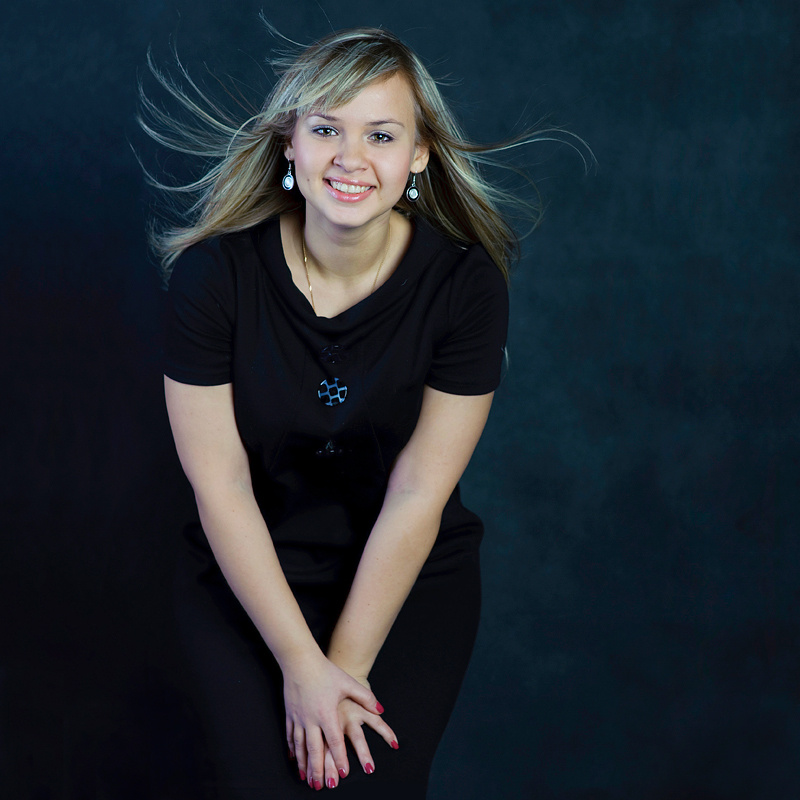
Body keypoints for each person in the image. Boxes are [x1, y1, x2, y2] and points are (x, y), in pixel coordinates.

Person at [142, 25, 540, 798]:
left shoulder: (466, 286)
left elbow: (418, 491)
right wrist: (301, 664)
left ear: (419, 154)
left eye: (381, 135)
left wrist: (342, 673)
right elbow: (221, 485)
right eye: (326, 129)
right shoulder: (212, 278)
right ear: (289, 143)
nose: (350, 158)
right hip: (249, 579)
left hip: (405, 577)